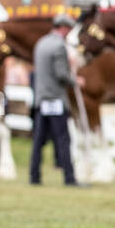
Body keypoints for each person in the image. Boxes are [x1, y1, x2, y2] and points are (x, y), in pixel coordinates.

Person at [30, 14, 83, 187]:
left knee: (38, 140)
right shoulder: (60, 46)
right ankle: (69, 178)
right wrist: (76, 80)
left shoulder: (41, 43)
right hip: (56, 99)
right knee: (63, 139)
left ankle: (34, 177)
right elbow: (61, 74)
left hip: (41, 99)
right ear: (63, 28)